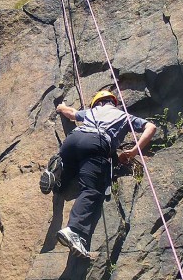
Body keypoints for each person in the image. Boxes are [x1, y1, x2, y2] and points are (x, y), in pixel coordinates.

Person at [40, 90, 156, 258]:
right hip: (96, 143)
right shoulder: (123, 115)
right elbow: (150, 127)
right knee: (91, 189)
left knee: (64, 183)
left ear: (96, 103)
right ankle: (74, 230)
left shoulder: (92, 112)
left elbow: (71, 114)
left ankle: (58, 171)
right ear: (113, 102)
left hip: (72, 140)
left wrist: (60, 107)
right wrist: (133, 152)